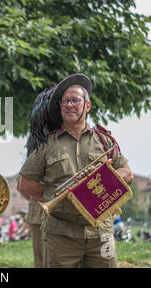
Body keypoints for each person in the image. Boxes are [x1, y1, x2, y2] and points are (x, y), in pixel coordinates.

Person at [19, 73, 134, 268]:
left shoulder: (103, 140)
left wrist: (96, 181)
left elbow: (127, 173)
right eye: (65, 101)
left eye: (75, 100)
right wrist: (58, 197)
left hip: (101, 231)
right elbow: (25, 184)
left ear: (87, 106)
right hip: (61, 233)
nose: (70, 105)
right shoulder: (47, 145)